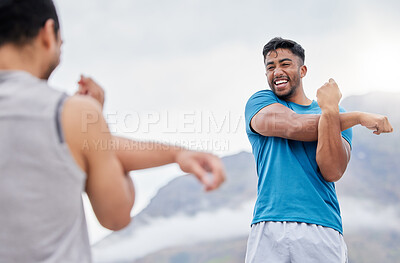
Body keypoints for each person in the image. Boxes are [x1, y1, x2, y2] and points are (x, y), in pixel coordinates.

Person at [0, 1, 225, 262]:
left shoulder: (71, 117)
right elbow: (116, 216)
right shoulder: (73, 113)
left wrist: (177, 153)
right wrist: (94, 120)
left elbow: (84, 146)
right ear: (48, 34)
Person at [244, 37, 393, 263]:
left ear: (302, 70)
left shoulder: (336, 113)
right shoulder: (260, 102)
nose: (277, 72)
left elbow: (332, 171)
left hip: (323, 227)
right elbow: (294, 126)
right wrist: (358, 117)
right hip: (269, 223)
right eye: (270, 67)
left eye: (285, 64)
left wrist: (332, 111)